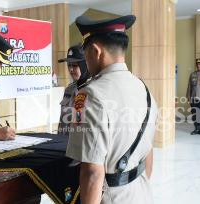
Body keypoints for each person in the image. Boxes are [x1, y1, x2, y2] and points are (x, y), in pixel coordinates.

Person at [66, 15, 158, 204]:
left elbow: (92, 172)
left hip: (112, 197)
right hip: (141, 192)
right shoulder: (143, 88)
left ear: (95, 51)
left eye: (86, 53)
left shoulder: (89, 95)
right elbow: (148, 151)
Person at [57, 44, 90, 135]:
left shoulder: (92, 91)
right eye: (69, 65)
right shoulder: (69, 89)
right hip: (63, 145)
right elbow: (62, 122)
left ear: (85, 65)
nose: (71, 69)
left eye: (75, 65)